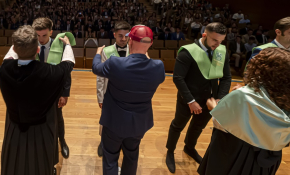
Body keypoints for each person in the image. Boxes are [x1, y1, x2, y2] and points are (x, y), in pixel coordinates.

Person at [198, 48, 290, 175]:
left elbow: (222, 125)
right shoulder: (286, 98)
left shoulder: (242, 96)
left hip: (235, 155)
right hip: (267, 160)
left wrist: (214, 107)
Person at [0, 26, 75, 175]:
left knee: (13, 165)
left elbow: (9, 55)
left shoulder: (3, 69)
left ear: (14, 48)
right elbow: (68, 62)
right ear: (38, 50)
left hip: (13, 127)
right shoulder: (51, 73)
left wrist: (20, 41)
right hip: (42, 129)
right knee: (40, 165)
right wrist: (67, 44)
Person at [92, 25, 165, 175]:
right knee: (131, 156)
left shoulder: (115, 63)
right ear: (151, 44)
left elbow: (96, 68)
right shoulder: (158, 67)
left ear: (130, 40)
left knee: (110, 158)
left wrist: (98, 53)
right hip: (139, 123)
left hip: (114, 122)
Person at [165, 22, 232, 173]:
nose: (218, 44)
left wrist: (219, 98)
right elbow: (178, 78)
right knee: (178, 125)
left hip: (210, 100)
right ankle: (170, 151)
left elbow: (227, 77)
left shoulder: (221, 51)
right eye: (215, 40)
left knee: (198, 127)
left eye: (221, 41)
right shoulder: (187, 52)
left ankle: (189, 148)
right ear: (204, 35)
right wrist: (190, 101)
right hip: (188, 99)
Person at [96, 21, 131, 157]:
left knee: (124, 119)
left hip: (128, 94)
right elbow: (100, 77)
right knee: (105, 119)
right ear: (114, 35)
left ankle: (121, 141)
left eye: (126, 36)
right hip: (109, 93)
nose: (123, 39)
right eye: (120, 36)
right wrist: (100, 97)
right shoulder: (106, 51)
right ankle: (102, 141)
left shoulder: (134, 50)